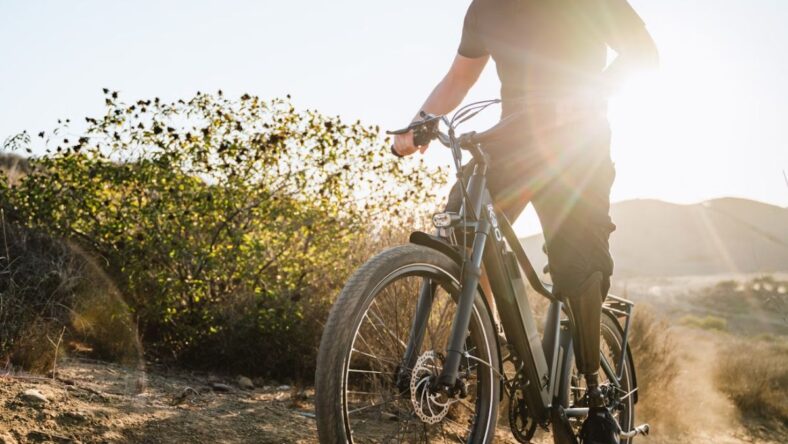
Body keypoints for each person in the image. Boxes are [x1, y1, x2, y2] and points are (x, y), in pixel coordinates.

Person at [393, 1, 658, 442]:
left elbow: (643, 55)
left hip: (577, 147)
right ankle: (490, 348)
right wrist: (417, 125)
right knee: (460, 223)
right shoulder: (485, 8)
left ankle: (594, 398)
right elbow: (460, 77)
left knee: (577, 266)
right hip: (511, 142)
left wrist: (589, 93)